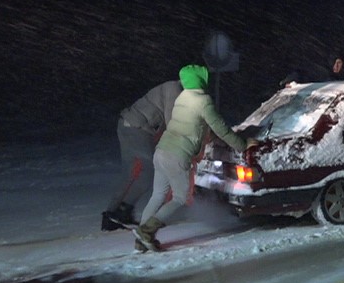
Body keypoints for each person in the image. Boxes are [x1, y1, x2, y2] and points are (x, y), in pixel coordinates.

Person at [134, 64, 255, 252]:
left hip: (162, 151)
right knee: (181, 198)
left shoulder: (182, 98)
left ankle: (141, 241)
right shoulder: (203, 101)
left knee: (158, 195)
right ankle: (146, 231)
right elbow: (220, 128)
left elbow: (198, 127)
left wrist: (213, 138)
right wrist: (243, 144)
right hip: (178, 155)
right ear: (201, 80)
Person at [100, 78, 182, 231]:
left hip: (129, 125)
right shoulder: (174, 89)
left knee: (131, 173)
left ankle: (112, 214)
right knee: (151, 170)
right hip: (136, 129)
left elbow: (165, 124)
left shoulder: (171, 88)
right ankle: (122, 211)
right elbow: (172, 122)